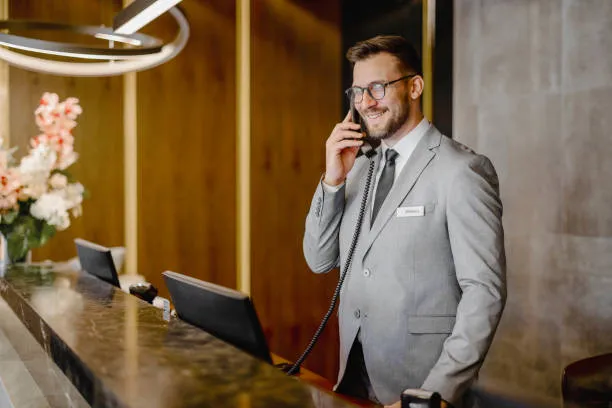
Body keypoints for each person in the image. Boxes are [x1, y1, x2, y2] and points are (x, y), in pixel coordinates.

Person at [303, 35, 506, 408]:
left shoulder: (462, 171)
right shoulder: (358, 168)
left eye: (377, 88)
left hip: (421, 386)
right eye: (358, 92)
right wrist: (332, 180)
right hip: (354, 379)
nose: (365, 103)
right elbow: (318, 259)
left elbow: (484, 292)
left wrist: (435, 393)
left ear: (414, 87)